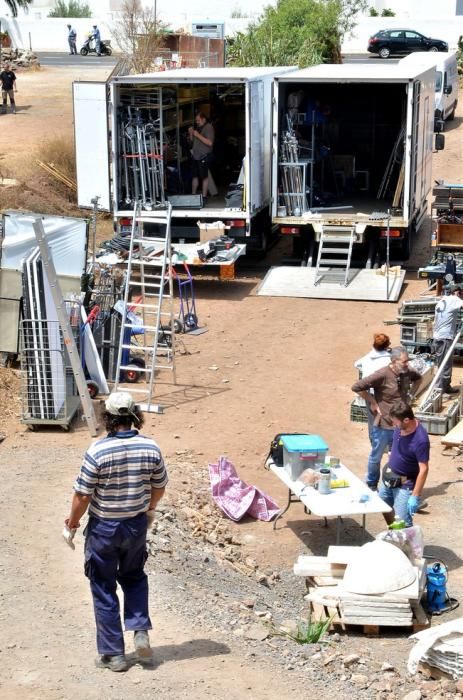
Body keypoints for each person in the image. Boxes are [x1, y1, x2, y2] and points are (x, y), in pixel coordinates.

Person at [64, 391, 167, 672]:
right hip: (135, 525)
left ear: (107, 417)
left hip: (104, 529)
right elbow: (159, 486)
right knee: (133, 576)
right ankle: (140, 630)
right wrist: (149, 509)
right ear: (136, 415)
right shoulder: (151, 448)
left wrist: (72, 523)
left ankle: (114, 655)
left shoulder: (97, 450)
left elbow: (83, 496)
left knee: (103, 585)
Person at [352, 346, 422, 490]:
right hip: (384, 425)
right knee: (376, 456)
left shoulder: (406, 372)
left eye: (407, 361)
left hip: (400, 426)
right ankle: (371, 485)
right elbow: (357, 387)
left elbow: (419, 379)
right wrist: (373, 402)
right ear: (394, 361)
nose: (407, 364)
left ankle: (395, 486)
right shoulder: (382, 374)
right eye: (404, 361)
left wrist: (410, 396)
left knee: (399, 457)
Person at [378, 402, 430, 527]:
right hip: (389, 477)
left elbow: (424, 469)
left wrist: (415, 496)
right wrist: (391, 451)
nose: (394, 424)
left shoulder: (420, 440)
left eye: (395, 422)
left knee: (403, 523)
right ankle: (395, 533)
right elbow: (394, 440)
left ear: (406, 420)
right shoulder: (400, 427)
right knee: (384, 507)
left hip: (404, 485)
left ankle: (406, 543)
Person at [354, 333, 392, 445]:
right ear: (387, 346)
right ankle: (389, 445)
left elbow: (356, 364)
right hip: (385, 394)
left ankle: (374, 443)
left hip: (369, 395)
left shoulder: (367, 358)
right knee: (388, 419)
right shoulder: (389, 359)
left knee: (373, 420)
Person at [432, 282, 463, 394]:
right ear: (457, 292)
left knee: (443, 363)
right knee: (445, 365)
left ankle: (445, 386)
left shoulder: (442, 300)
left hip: (438, 336)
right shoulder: (455, 299)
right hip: (445, 337)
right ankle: (440, 389)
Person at [188, 111, 215, 199]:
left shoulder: (208, 127)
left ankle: (204, 196)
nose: (197, 122)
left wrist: (198, 135)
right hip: (195, 156)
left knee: (204, 177)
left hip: (204, 156)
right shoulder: (198, 128)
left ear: (204, 119)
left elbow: (210, 143)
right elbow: (192, 143)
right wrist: (191, 134)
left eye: (198, 120)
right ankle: (193, 195)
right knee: (194, 176)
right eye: (196, 121)